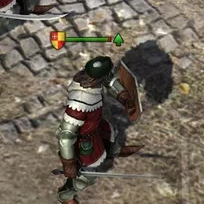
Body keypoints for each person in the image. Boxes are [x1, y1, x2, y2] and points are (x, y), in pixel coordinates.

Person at [56, 56, 143, 204]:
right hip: (84, 140)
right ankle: (66, 195)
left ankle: (113, 150)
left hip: (95, 125)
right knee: (87, 176)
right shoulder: (79, 102)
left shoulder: (92, 78)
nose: (108, 77)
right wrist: (68, 163)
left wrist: (124, 97)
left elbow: (110, 81)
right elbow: (66, 136)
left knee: (109, 134)